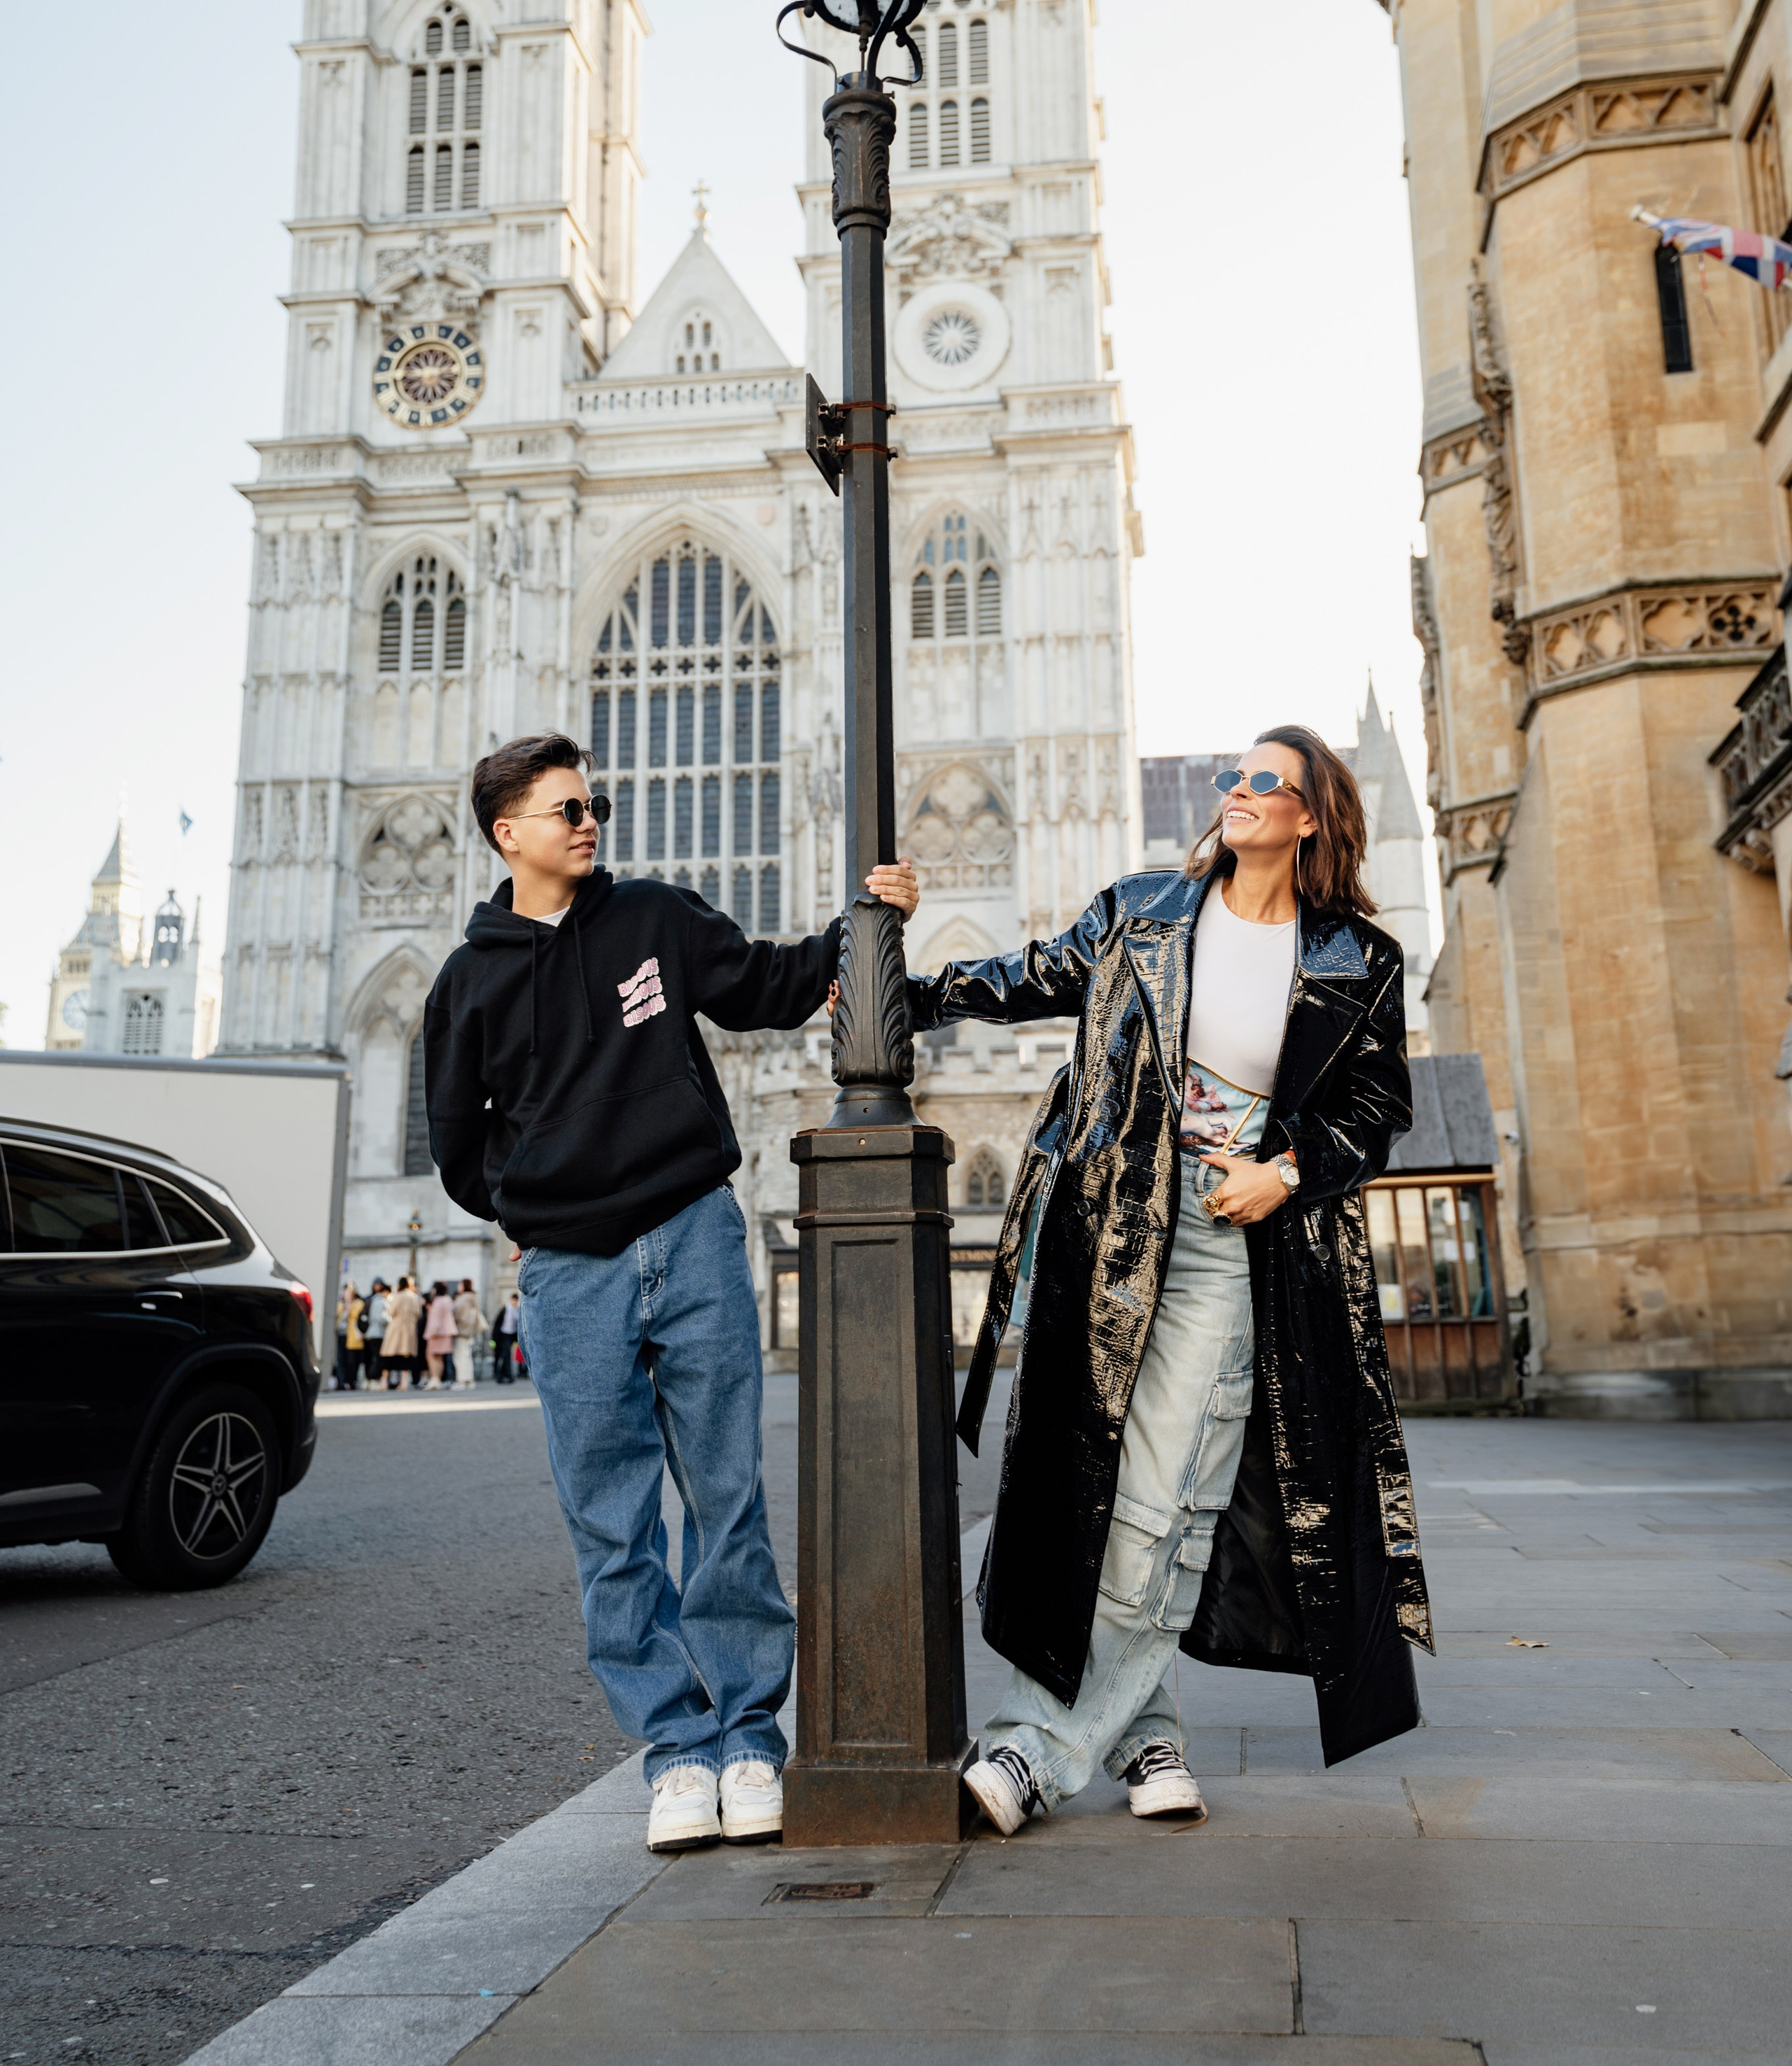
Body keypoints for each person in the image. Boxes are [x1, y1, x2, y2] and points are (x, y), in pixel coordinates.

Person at [914, 724, 1432, 1838]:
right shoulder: (1146, 907)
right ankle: (1147, 1737)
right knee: (1097, 1485)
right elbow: (1037, 974)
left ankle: (1032, 1751)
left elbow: (1378, 1112)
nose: (1236, 793)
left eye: (1264, 783)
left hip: (1233, 1236)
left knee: (1169, 1499)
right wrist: (905, 991)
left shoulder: (1357, 958)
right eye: (1232, 779)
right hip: (1111, 1226)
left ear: (1309, 816)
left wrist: (1287, 1171)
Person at [425, 729, 918, 1854]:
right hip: (572, 1273)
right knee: (611, 1528)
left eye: (590, 803)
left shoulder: (653, 918)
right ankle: (676, 1751)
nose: (589, 820)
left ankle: (751, 1740)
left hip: (693, 1235)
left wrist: (868, 920)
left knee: (726, 1501)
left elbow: (774, 986)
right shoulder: (468, 984)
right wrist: (540, 1214)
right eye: (565, 809)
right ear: (510, 835)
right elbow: (461, 1148)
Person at [382, 1275, 421, 1391]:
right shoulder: (414, 1297)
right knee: (406, 1356)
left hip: (396, 1328)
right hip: (409, 1328)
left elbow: (392, 1312)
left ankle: (384, 1381)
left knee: (389, 1354)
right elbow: (418, 1313)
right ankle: (404, 1382)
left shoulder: (397, 1296)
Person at [452, 1278, 486, 1388]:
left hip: (462, 1331)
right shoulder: (473, 1298)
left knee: (460, 1357)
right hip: (471, 1331)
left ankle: (461, 1380)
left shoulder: (463, 1299)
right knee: (467, 1357)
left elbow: (457, 1314)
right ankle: (469, 1380)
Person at [424, 1281, 456, 1388]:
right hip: (447, 1332)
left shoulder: (438, 1301)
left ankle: (434, 1378)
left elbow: (435, 1319)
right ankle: (437, 1379)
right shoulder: (448, 1300)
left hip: (437, 1332)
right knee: (439, 1357)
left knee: (431, 1355)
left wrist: (431, 1333)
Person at [491, 1290, 520, 1384]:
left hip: (511, 1335)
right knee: (504, 1355)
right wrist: (494, 1338)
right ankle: (504, 1375)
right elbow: (497, 1324)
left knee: (506, 1355)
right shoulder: (505, 1310)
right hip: (503, 1335)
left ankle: (505, 1375)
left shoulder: (517, 1311)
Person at [335, 1282, 360, 1391]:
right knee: (340, 1360)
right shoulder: (340, 1305)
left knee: (352, 1361)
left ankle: (351, 1381)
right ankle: (342, 1382)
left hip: (352, 1336)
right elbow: (337, 1319)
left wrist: (351, 1309)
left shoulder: (358, 1304)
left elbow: (356, 1316)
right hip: (341, 1335)